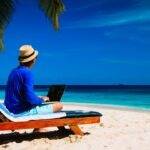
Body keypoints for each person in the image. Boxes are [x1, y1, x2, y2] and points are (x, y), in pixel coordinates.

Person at [4, 45, 63, 131]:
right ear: (33, 60)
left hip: (11, 109)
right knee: (59, 105)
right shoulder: (27, 73)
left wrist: (38, 98)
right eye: (36, 57)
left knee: (39, 102)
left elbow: (21, 94)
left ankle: (38, 129)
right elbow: (31, 100)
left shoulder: (13, 72)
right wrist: (42, 100)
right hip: (20, 112)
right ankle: (39, 129)